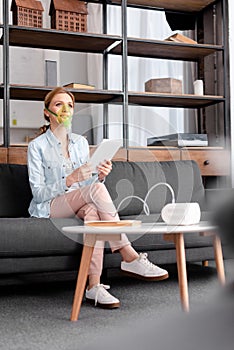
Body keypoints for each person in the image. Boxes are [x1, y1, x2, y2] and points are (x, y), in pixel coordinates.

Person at [27, 86, 168, 309]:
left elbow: (88, 187)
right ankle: (129, 255)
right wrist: (69, 179)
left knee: (93, 211)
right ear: (47, 112)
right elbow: (38, 192)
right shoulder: (37, 146)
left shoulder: (80, 143)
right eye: (58, 104)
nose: (65, 109)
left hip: (79, 200)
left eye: (70, 105)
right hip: (49, 206)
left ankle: (94, 286)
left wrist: (100, 176)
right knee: (95, 195)